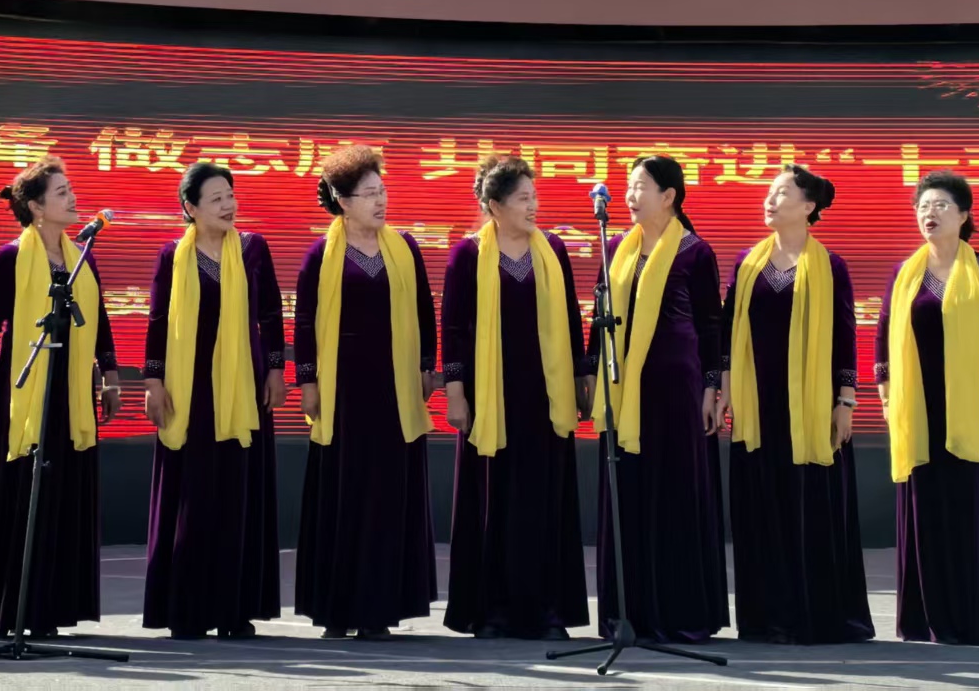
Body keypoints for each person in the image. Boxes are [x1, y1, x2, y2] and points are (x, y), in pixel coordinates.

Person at [875, 170, 979, 645]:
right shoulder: (906, 273)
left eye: (942, 205)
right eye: (923, 206)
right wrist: (886, 391)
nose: (930, 213)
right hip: (921, 407)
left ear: (965, 215)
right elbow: (884, 335)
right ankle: (931, 615)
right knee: (929, 506)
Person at [0, 158, 121, 639]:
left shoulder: (81, 258)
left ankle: (50, 608)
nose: (73, 199)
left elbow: (101, 327)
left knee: (63, 494)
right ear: (35, 207)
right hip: (22, 392)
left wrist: (111, 379)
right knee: (19, 494)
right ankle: (8, 611)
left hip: (71, 393)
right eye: (62, 192)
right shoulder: (10, 258)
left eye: (71, 190)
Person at [441, 154, 593, 640]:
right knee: (495, 501)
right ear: (494, 206)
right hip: (491, 399)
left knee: (543, 501)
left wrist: (582, 380)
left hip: (545, 396)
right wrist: (456, 393)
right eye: (523, 198)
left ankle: (546, 611)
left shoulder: (553, 249)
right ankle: (494, 611)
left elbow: (570, 319)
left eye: (534, 197)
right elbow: (454, 330)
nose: (533, 206)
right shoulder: (468, 255)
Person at [720, 165, 873, 644]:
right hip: (758, 405)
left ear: (808, 207)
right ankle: (765, 617)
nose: (770, 200)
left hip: (810, 407)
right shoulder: (747, 263)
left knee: (809, 508)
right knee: (760, 509)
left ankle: (815, 616)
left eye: (782, 193)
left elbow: (845, 336)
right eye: (769, 192)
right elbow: (726, 334)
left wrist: (845, 400)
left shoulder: (831, 266)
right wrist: (723, 387)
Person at [294, 144, 439, 639]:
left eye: (382, 192)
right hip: (343, 395)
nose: (381, 201)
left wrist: (426, 368)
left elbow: (424, 312)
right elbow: (305, 323)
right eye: (369, 194)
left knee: (386, 499)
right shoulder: (321, 254)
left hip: (394, 392)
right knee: (344, 498)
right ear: (342, 200)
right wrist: (308, 383)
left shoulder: (405, 247)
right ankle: (337, 611)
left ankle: (378, 611)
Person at [141, 162, 287, 639]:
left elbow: (271, 314)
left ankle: (233, 611)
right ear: (191, 208)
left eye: (231, 195)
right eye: (217, 198)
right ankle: (186, 610)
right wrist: (153, 382)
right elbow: (157, 322)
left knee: (235, 497)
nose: (229, 205)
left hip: (243, 388)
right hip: (190, 392)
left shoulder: (252, 248)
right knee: (193, 495)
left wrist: (276, 369)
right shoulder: (172, 256)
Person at [594, 155, 729, 643]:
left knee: (673, 495)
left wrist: (713, 386)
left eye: (641, 187)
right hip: (624, 391)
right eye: (628, 187)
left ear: (669, 196)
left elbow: (711, 326)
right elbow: (600, 316)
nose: (630, 196)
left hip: (676, 391)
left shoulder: (695, 251)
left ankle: (677, 611)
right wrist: (590, 375)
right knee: (628, 494)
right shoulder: (616, 247)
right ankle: (627, 613)